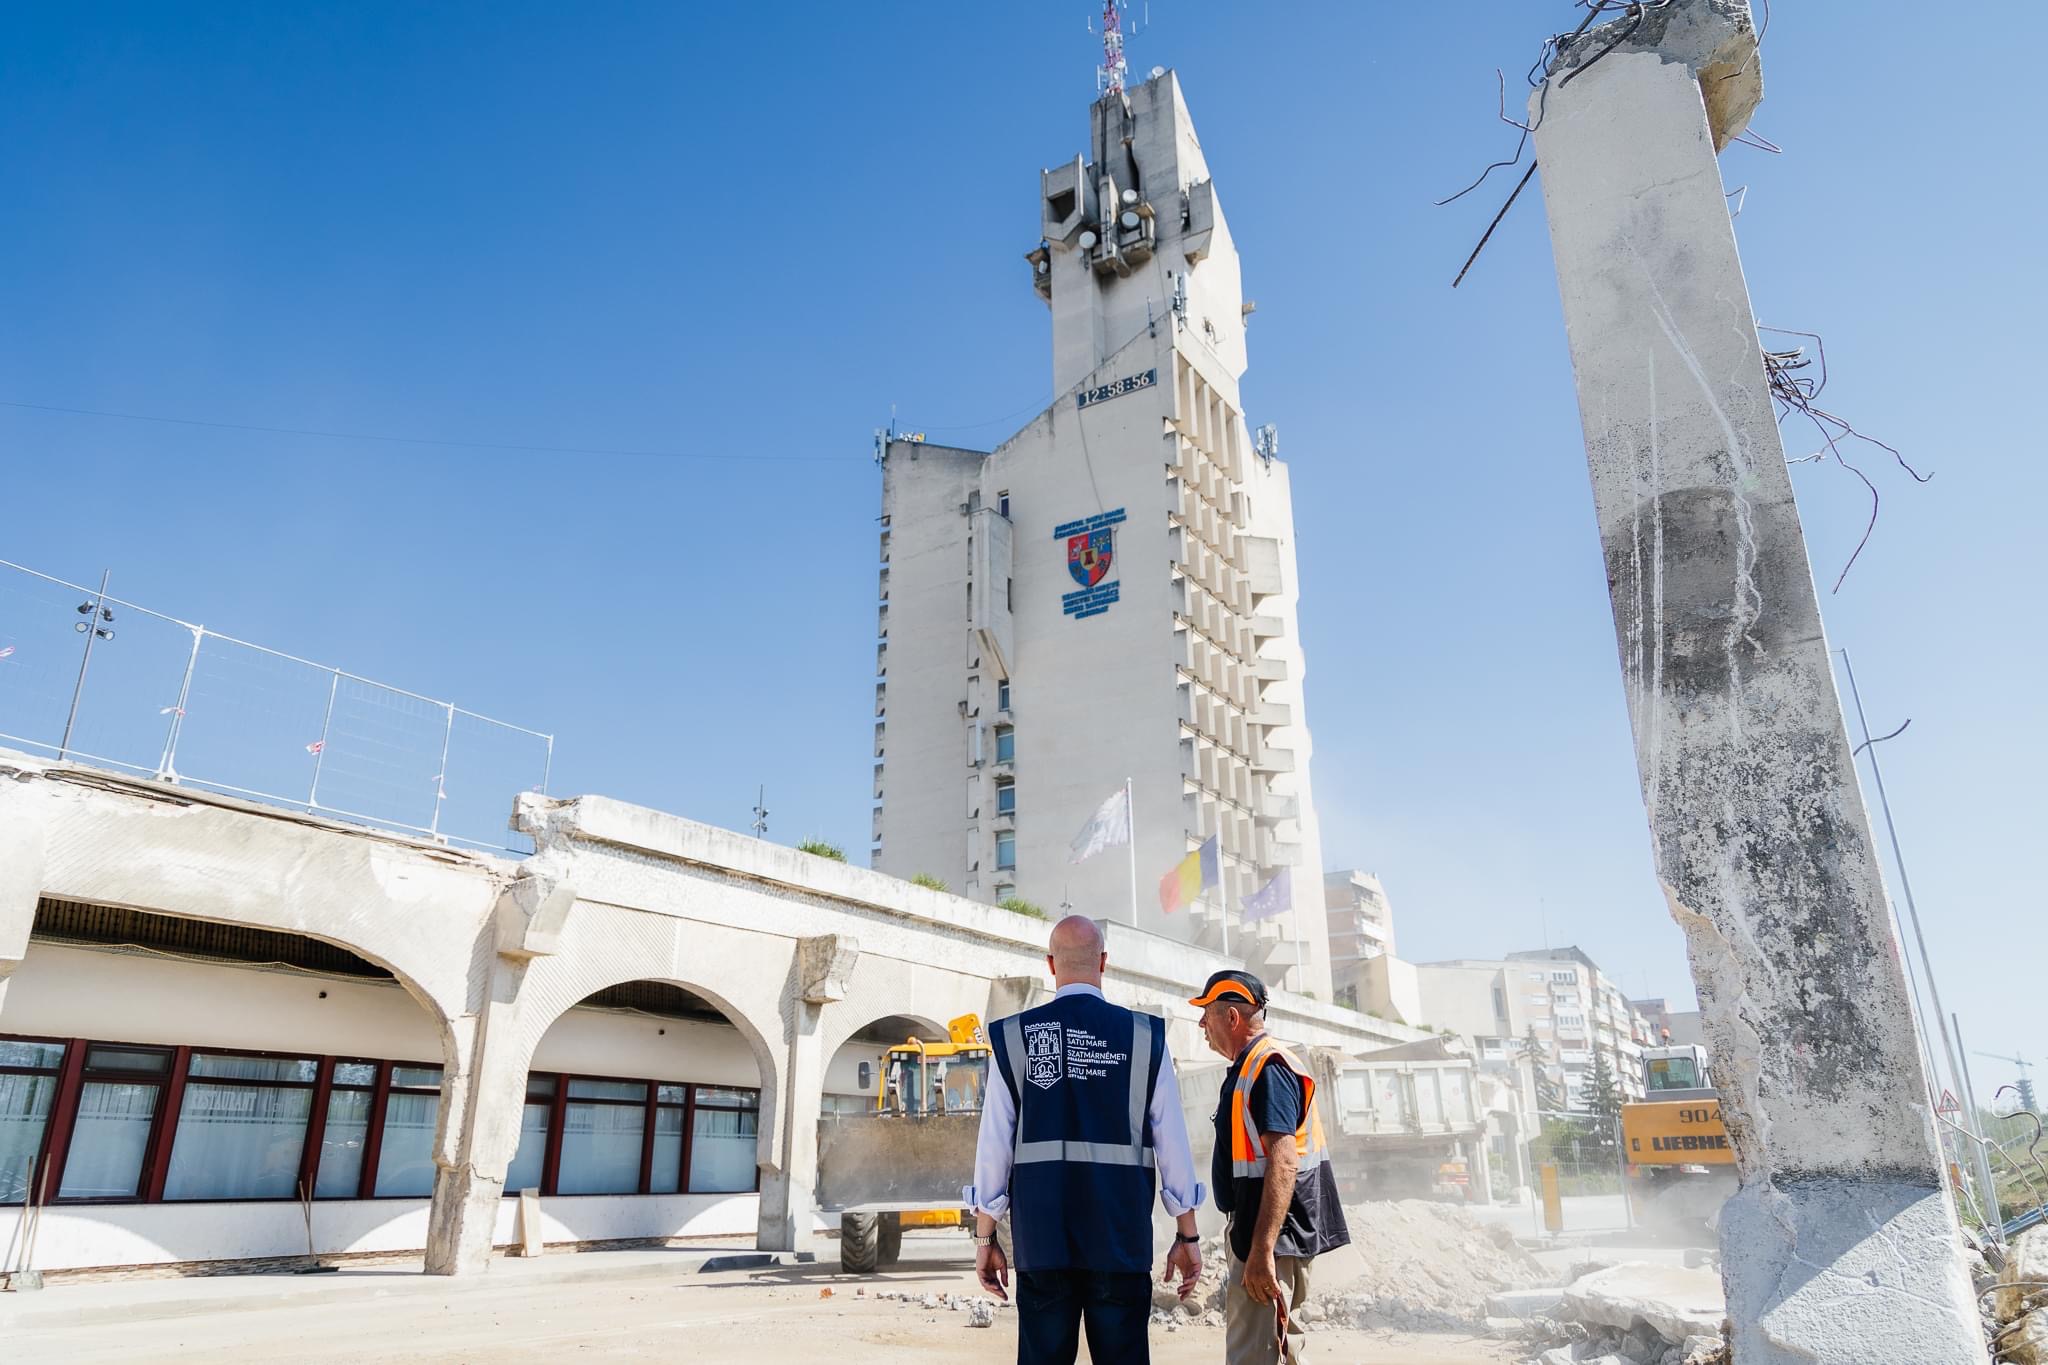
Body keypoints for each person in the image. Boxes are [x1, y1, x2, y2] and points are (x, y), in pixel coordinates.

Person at [966, 914, 1207, 1365]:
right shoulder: (1144, 1038)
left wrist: (985, 1239)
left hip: (1043, 1243)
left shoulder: (1014, 1038)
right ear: (1104, 962)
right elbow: (1173, 1144)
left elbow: (993, 1148)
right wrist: (1187, 1235)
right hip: (1119, 1241)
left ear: (1050, 965)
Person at [1190, 969, 1350, 1365]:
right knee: (1277, 1351)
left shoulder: (1268, 1069)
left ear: (1232, 1018)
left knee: (1255, 1356)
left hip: (1273, 1240)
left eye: (1206, 1014)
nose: (1201, 1024)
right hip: (1267, 1234)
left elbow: (1283, 1160)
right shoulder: (1253, 1067)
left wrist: (1262, 1250)